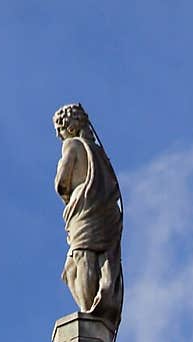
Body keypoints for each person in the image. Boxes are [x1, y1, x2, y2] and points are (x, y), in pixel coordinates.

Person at [53, 104, 123, 330]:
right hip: (103, 212)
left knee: (81, 259)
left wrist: (65, 192)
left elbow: (62, 183)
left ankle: (89, 313)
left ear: (69, 127)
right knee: (75, 267)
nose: (59, 134)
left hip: (83, 209)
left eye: (60, 128)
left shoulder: (71, 145)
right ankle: (93, 308)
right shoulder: (99, 154)